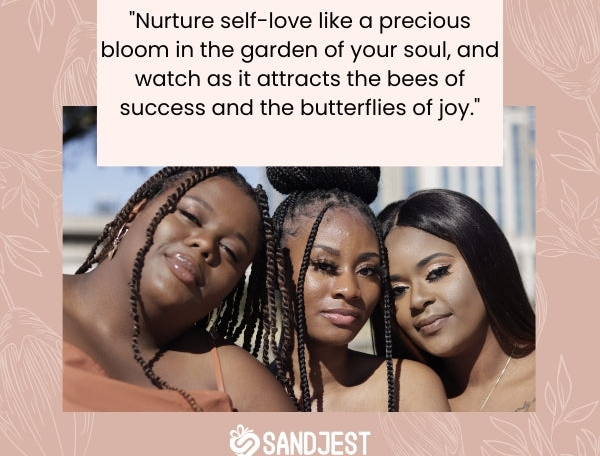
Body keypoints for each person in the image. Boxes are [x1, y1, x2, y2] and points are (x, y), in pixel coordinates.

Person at [63, 166, 296, 412]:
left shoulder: (236, 382)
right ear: (136, 212)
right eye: (191, 217)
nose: (206, 244)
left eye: (230, 251)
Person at [265, 167, 450, 412]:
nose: (350, 289)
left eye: (367, 270)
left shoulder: (407, 387)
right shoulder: (237, 391)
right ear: (276, 269)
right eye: (324, 265)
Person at [374, 189, 536, 411]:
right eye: (398, 290)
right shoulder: (394, 404)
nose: (417, 300)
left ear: (486, 262)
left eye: (437, 272)